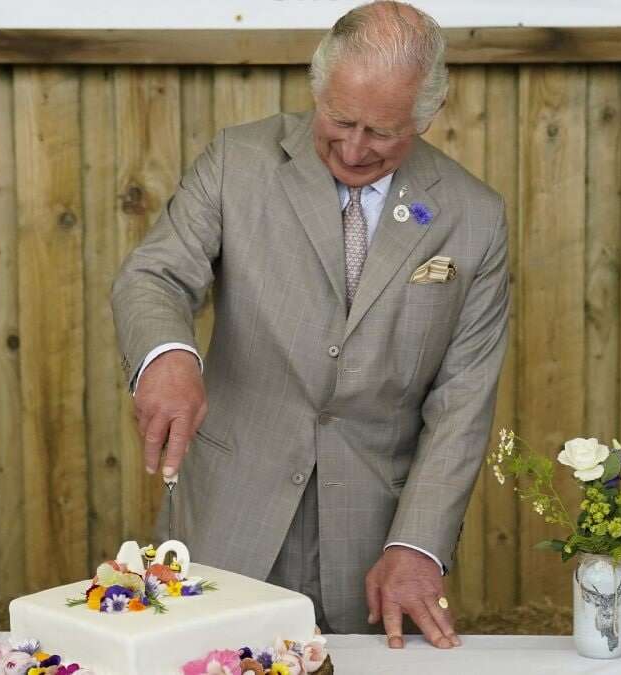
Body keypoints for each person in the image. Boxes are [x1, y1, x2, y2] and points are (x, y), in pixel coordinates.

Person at [111, 0, 508, 650]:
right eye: (339, 120)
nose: (353, 149)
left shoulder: (476, 216)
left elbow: (464, 399)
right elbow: (154, 276)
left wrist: (419, 544)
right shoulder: (237, 162)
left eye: (380, 133)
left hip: (376, 539)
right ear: (317, 87)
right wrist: (167, 354)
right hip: (227, 515)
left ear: (427, 115)